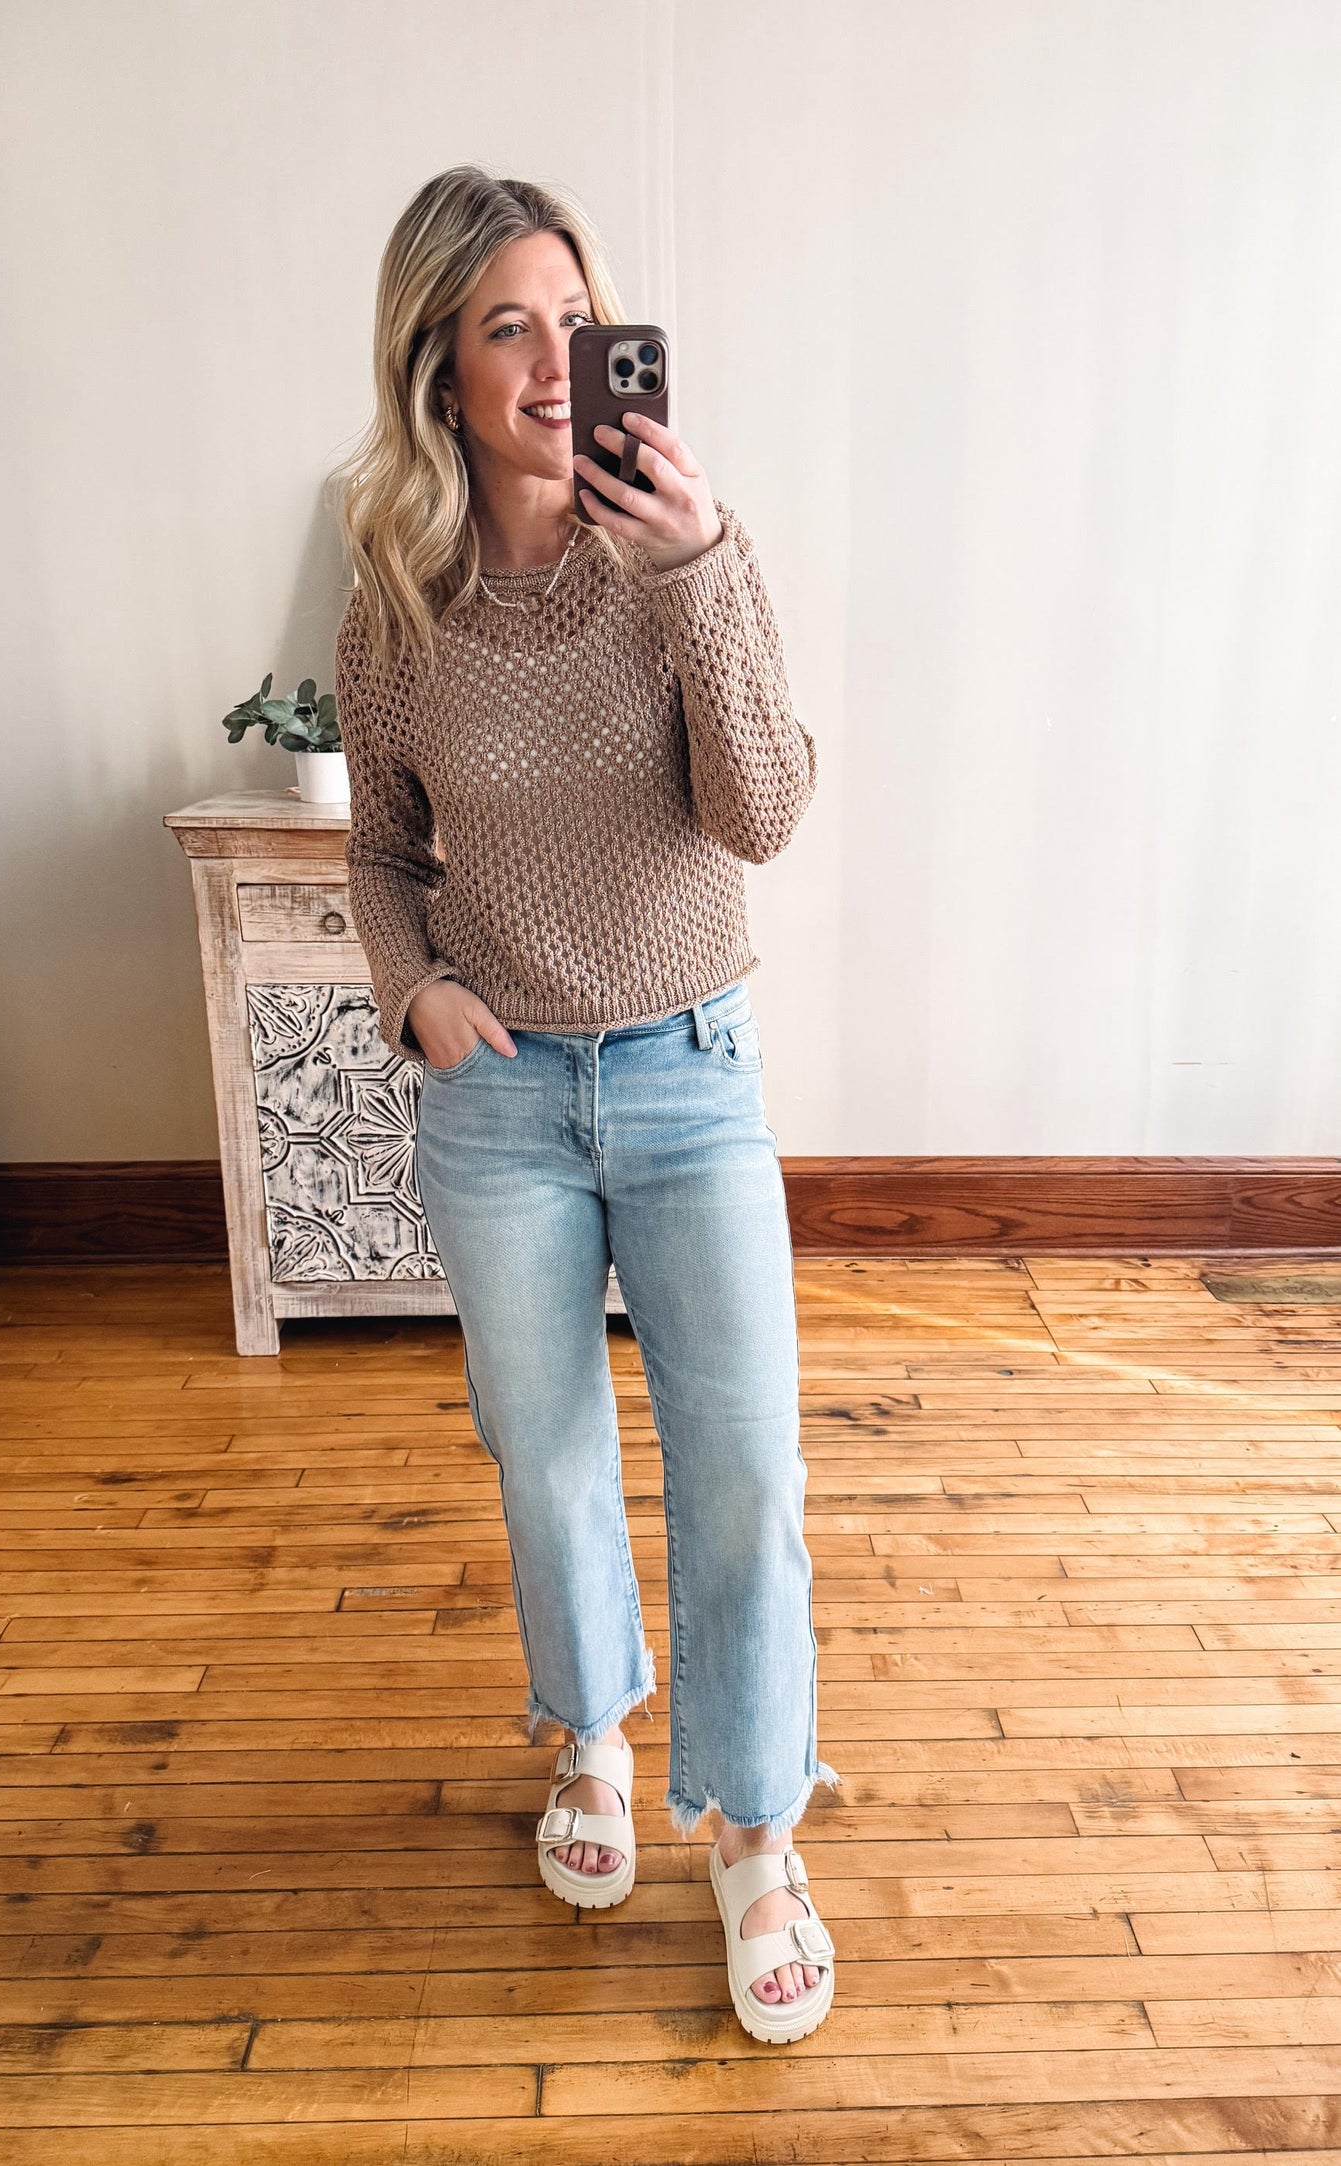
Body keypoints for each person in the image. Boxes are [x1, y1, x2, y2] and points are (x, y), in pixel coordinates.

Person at [334, 164, 836, 2043]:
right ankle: (595, 1743)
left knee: (747, 1478)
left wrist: (698, 570)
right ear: (440, 373)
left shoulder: (686, 549)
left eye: (574, 320)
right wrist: (419, 992)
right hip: (501, 1101)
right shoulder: (395, 596)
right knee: (543, 1467)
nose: (553, 365)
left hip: (692, 1074)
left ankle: (756, 1831)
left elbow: (763, 810)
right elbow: (383, 854)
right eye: (504, 330)